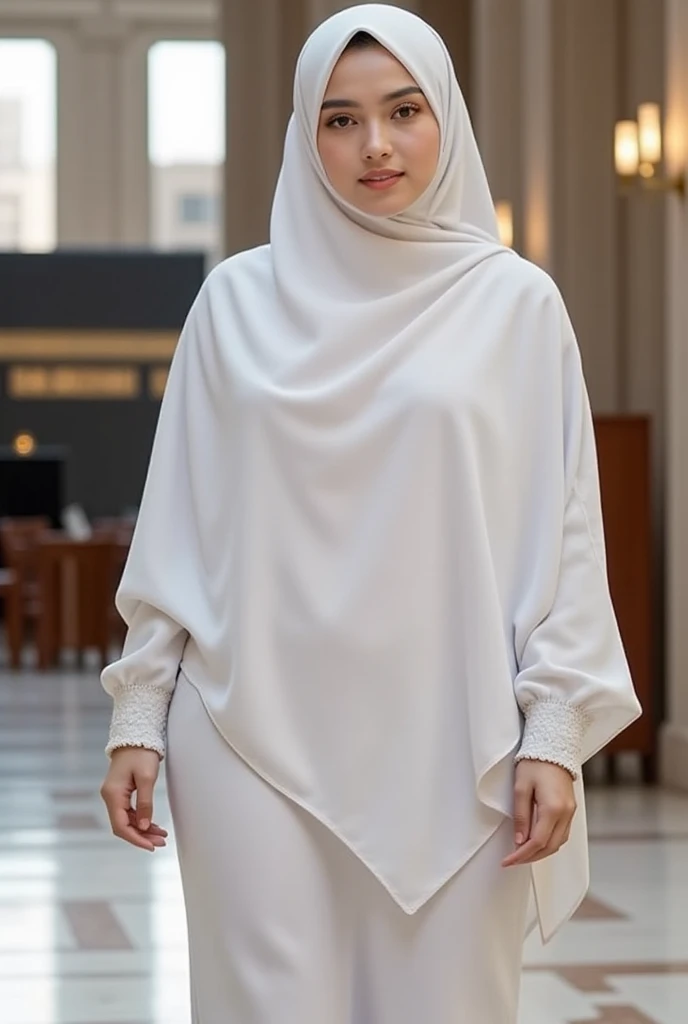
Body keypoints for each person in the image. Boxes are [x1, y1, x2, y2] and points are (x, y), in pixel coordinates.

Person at [99, 6, 642, 1022]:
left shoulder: (516, 307)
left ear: (447, 119)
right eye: (339, 119)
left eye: (403, 110)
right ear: (305, 134)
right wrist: (139, 712)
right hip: (245, 728)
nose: (375, 146)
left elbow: (564, 532)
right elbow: (180, 518)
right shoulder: (233, 303)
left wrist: (554, 730)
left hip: (457, 736)